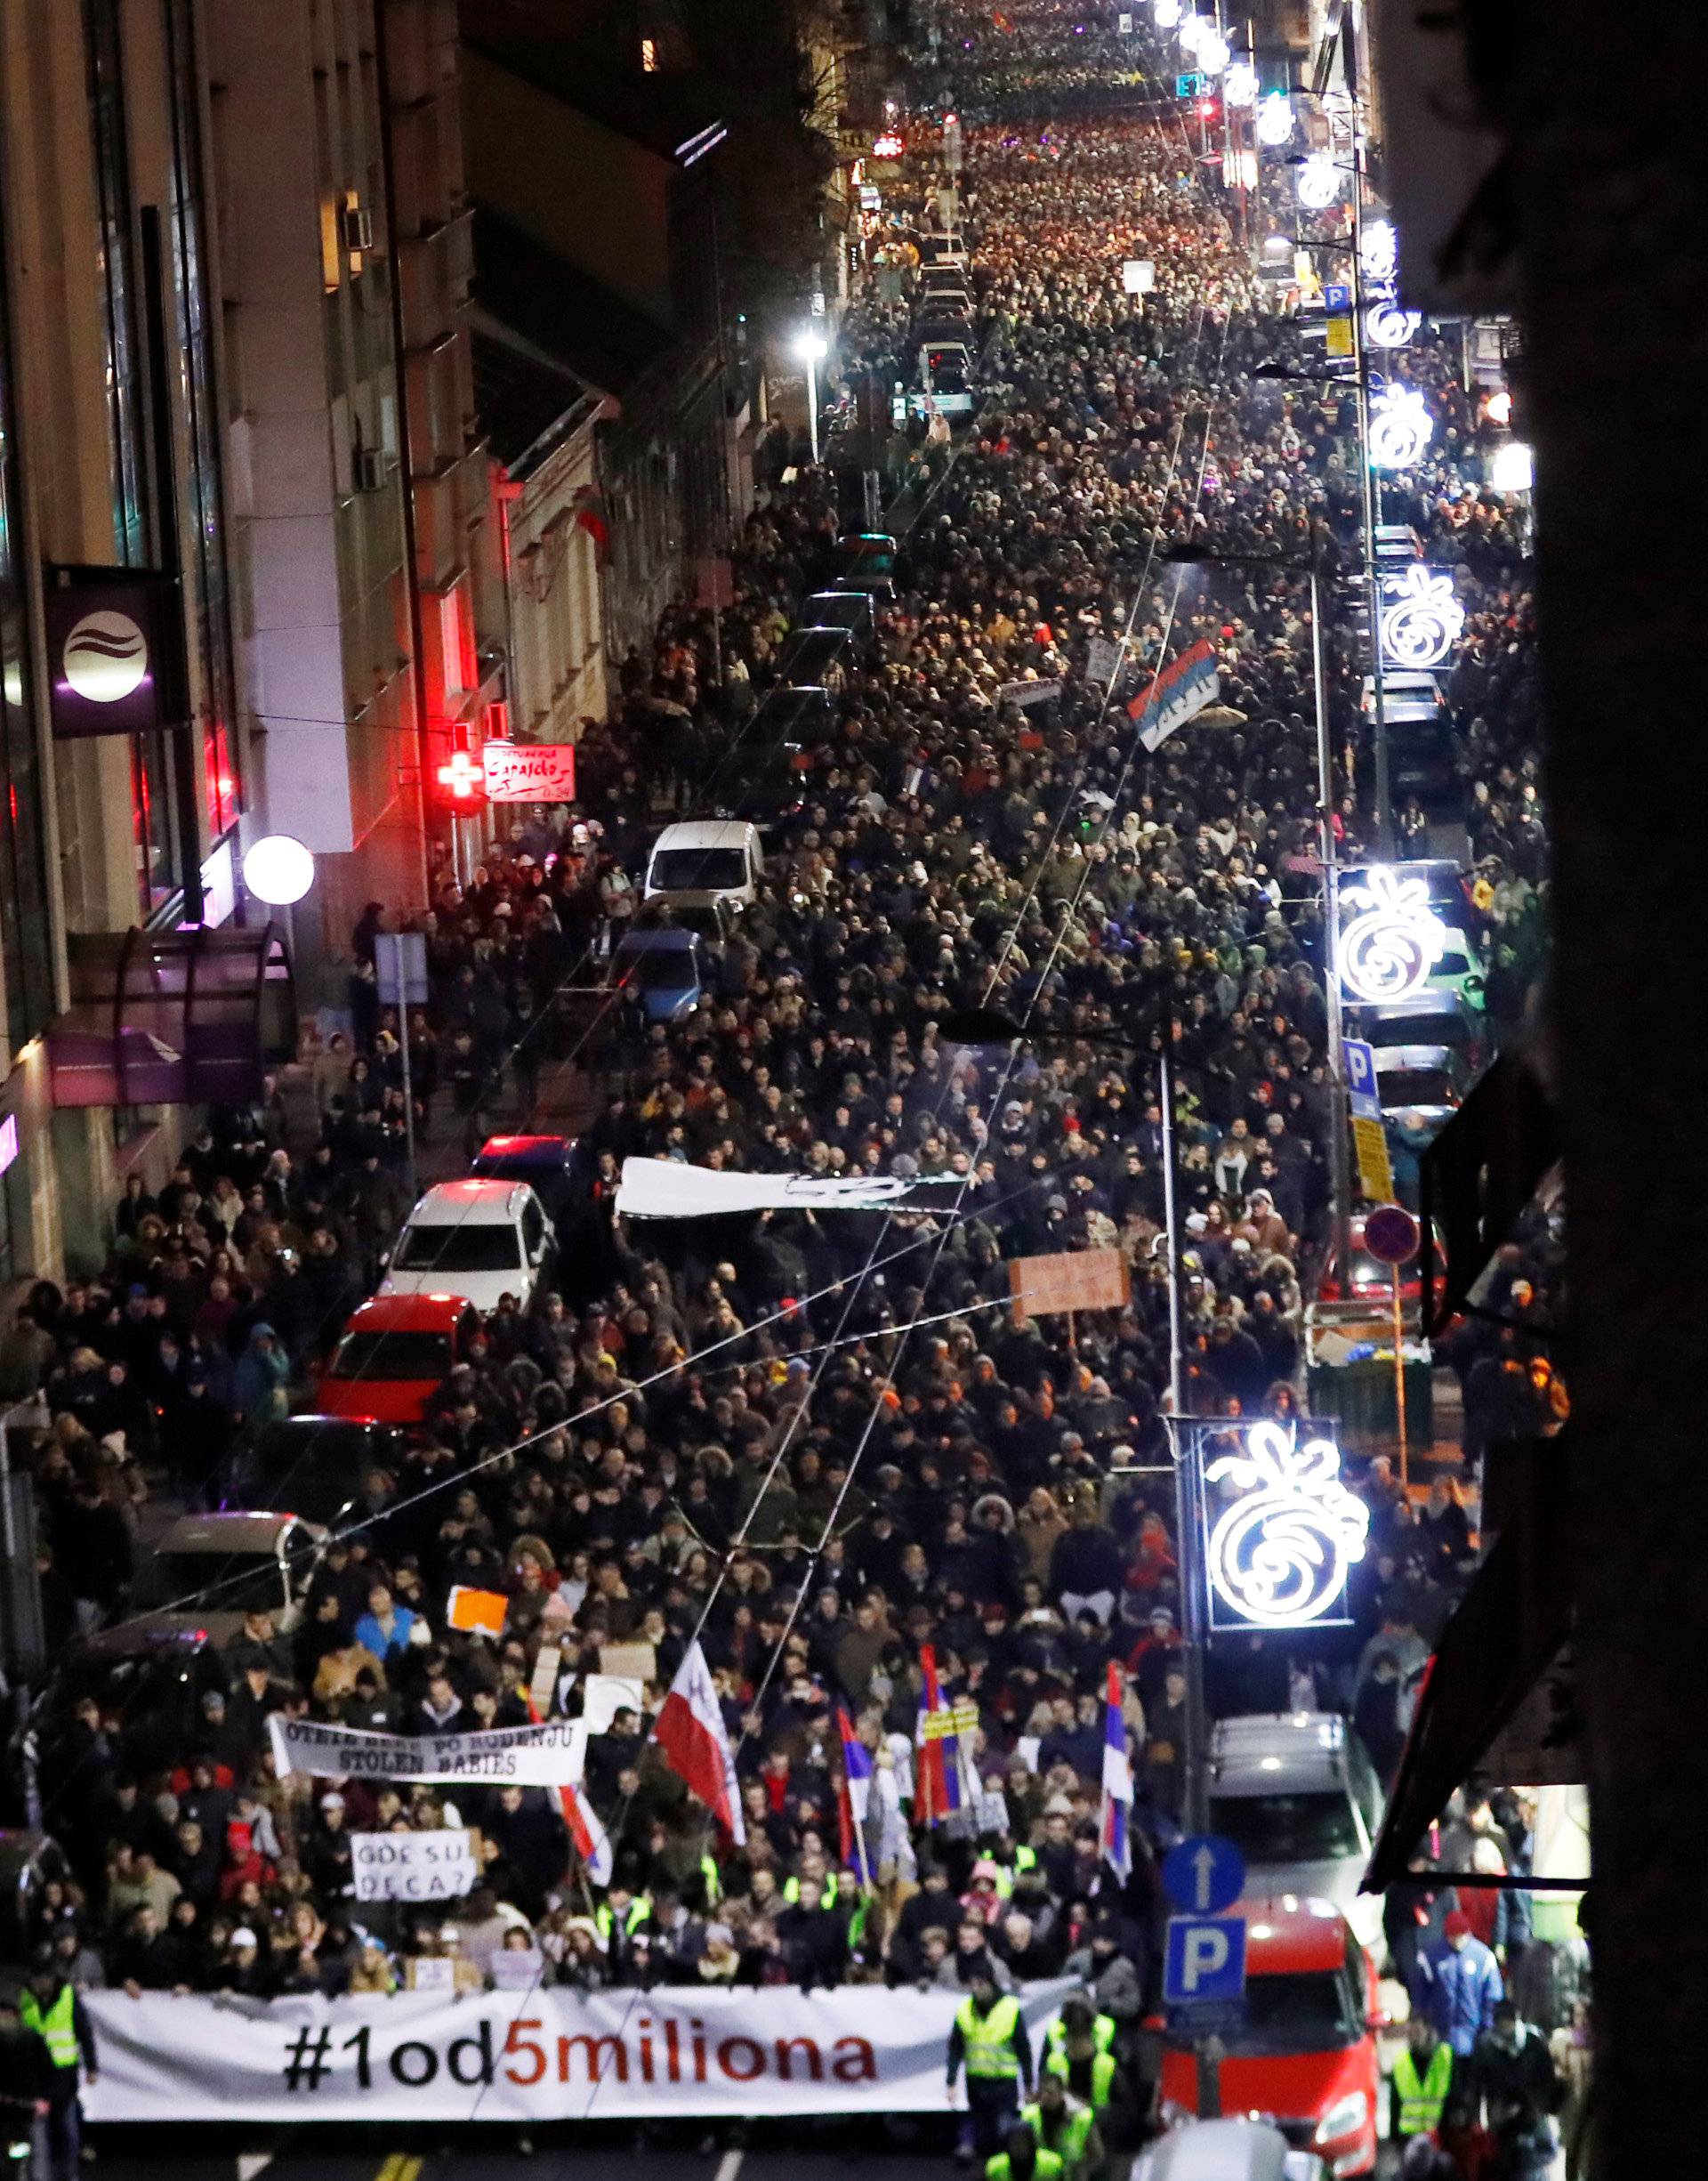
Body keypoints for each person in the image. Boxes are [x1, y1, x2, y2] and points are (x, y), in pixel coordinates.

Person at [1468, 1998, 1564, 2180]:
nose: (1504, 2027)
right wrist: (1477, 2122)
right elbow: (1476, 2085)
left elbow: (1547, 2080)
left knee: (1532, 2169)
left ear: (1515, 2019)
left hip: (1532, 2120)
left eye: (1507, 2021)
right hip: (1500, 2122)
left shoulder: (1534, 2042)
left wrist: (1536, 2106)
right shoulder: (1486, 2046)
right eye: (1500, 2022)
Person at [947, 1968, 1034, 2168]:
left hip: (1004, 2082)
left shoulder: (1010, 2009)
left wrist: (1028, 2083)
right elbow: (956, 2048)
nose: (976, 1990)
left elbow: (1024, 2049)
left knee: (1005, 2130)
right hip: (976, 2081)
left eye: (980, 1984)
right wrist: (951, 2081)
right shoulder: (965, 2010)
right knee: (981, 2132)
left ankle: (1009, 2168)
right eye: (973, 1984)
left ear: (991, 1984)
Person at [19, 1963, 97, 2181]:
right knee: (39, 2134)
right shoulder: (26, 1998)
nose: (38, 1985)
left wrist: (92, 2066)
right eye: (35, 1981)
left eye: (42, 1980)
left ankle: (68, 2175)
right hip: (36, 2078)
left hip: (63, 2075)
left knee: (67, 2131)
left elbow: (84, 2032)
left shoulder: (68, 1997)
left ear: (51, 1980)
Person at [1409, 1908, 1503, 2057]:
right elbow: (1421, 1994)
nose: (1457, 1941)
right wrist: (1422, 2020)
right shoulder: (1432, 1957)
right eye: (1453, 1937)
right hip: (1442, 2036)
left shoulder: (1483, 1957)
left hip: (1475, 2037)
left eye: (1461, 1936)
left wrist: (1488, 2028)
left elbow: (1493, 1997)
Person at [1389, 2012, 1456, 2156]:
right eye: (1411, 2032)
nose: (1413, 2036)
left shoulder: (1445, 2056)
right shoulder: (1401, 2062)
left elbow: (1454, 2094)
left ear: (1428, 2030)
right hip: (1408, 2137)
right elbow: (1394, 2103)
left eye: (1417, 2031)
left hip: (1440, 2134)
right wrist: (1394, 2137)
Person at [1019, 2070, 1101, 2181]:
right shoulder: (1029, 2116)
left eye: (1050, 2092)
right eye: (1041, 2092)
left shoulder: (1082, 2117)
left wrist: (1082, 2171)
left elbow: (1097, 2154)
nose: (1044, 2097)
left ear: (1061, 2093)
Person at [985, 2121, 1061, 2181]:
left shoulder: (1052, 2165)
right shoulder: (996, 2168)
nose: (1019, 2147)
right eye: (1015, 2143)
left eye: (1024, 2143)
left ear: (1032, 2144)